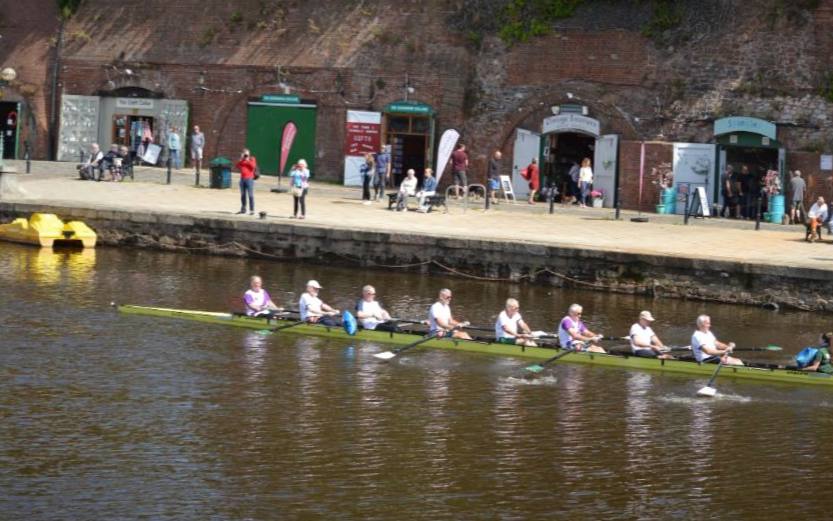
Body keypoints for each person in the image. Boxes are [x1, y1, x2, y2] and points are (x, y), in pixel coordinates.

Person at [235, 148, 257, 215]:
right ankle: (243, 209)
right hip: (242, 179)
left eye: (246, 154)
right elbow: (237, 166)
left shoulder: (252, 159)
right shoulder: (242, 160)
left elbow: (253, 167)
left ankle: (252, 210)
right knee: (243, 195)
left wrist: (247, 160)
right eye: (244, 154)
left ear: (249, 154)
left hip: (249, 179)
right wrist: (241, 159)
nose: (245, 156)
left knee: (250, 195)